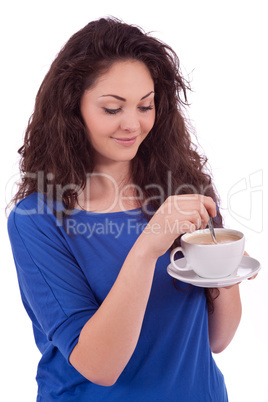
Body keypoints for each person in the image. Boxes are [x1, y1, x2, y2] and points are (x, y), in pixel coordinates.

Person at [7, 17, 244, 401]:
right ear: (73, 108)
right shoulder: (36, 220)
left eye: (145, 106)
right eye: (113, 108)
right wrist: (149, 245)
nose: (133, 124)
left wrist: (225, 269)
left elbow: (218, 339)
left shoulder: (182, 190)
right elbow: (99, 366)